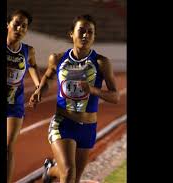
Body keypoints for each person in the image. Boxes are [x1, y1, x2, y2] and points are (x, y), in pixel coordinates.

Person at [29, 14, 120, 183]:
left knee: (73, 178)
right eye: (81, 31)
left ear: (94, 36)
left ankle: (50, 171)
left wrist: (92, 89)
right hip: (63, 123)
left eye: (90, 32)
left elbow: (115, 97)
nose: (85, 35)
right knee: (69, 172)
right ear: (71, 34)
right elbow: (48, 77)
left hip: (88, 127)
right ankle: (54, 171)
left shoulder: (101, 63)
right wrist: (39, 91)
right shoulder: (57, 59)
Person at [7, 9, 41, 183]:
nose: (19, 28)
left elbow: (33, 66)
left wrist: (38, 86)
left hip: (14, 102)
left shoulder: (28, 51)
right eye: (16, 24)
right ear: (8, 24)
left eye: (24, 26)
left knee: (8, 147)